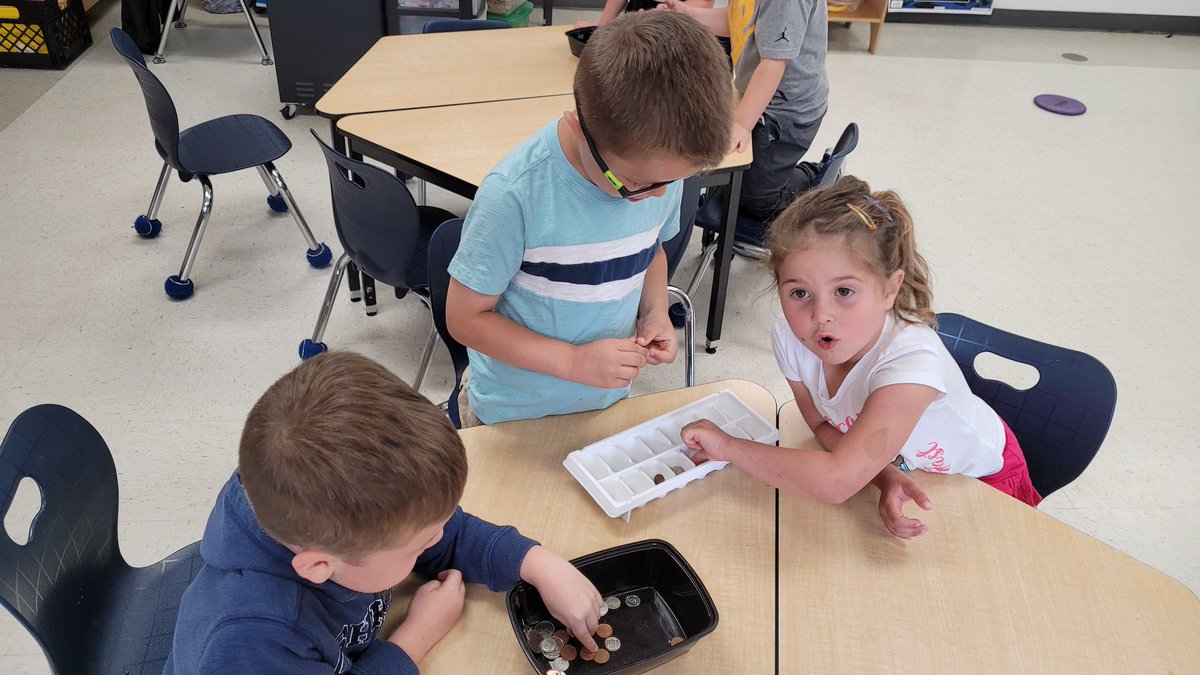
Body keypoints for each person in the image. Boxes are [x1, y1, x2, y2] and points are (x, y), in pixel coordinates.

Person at [165, 352, 603, 672]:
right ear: (318, 566)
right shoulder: (251, 640)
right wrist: (415, 637)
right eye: (420, 545)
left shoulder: (338, 520)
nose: (441, 537)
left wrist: (539, 565)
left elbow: (442, 530)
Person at [680, 176, 1042, 539]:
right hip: (907, 472)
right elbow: (823, 427)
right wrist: (880, 473)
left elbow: (835, 482)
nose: (820, 314)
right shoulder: (790, 335)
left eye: (844, 291)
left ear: (889, 289)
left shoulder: (912, 363)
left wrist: (727, 447)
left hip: (981, 479)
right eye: (799, 292)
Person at [446, 11, 734, 427]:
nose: (656, 196)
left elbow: (649, 253)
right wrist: (573, 361)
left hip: (606, 402)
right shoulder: (514, 195)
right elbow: (464, 318)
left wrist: (653, 312)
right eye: (635, 183)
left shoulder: (658, 174)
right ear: (578, 129)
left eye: (672, 182)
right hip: (512, 414)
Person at [660, 0, 829, 223]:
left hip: (786, 111)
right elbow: (738, 21)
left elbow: (774, 63)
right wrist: (688, 13)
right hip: (759, 94)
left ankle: (816, 177)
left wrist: (741, 124)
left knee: (757, 199)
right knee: (736, 176)